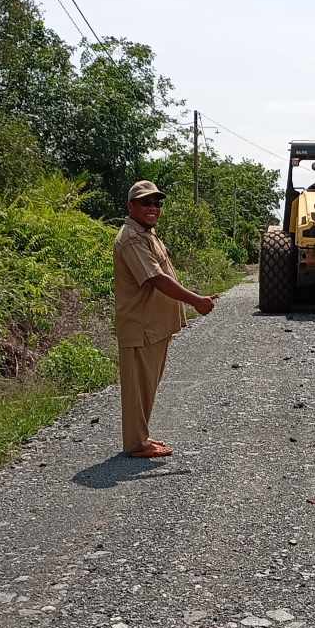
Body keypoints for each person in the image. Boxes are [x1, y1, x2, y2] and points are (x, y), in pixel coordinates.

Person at [113, 180, 217, 459]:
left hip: (152, 327)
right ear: (131, 206)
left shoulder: (147, 234)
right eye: (146, 202)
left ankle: (141, 437)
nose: (153, 208)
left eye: (157, 203)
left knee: (147, 386)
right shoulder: (132, 238)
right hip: (140, 327)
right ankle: (136, 444)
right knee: (138, 389)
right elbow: (157, 279)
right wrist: (195, 300)